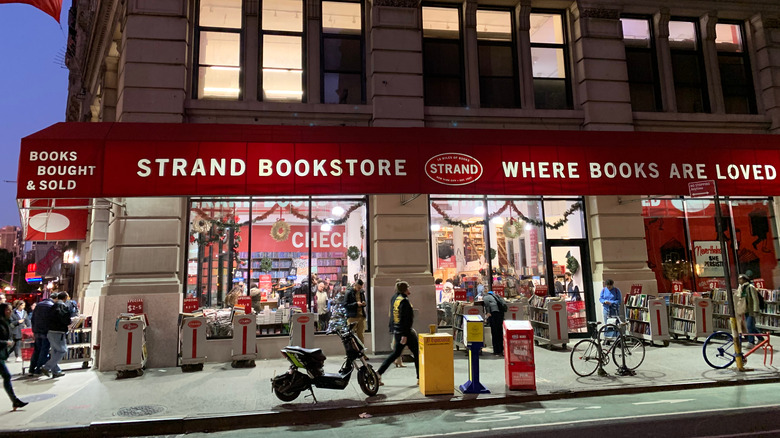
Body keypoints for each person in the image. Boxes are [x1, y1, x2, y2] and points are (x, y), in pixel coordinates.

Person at [377, 280, 419, 385]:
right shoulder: (404, 301)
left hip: (397, 330)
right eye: (408, 288)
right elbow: (407, 319)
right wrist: (405, 335)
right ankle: (420, 378)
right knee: (417, 353)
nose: (409, 289)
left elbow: (392, 314)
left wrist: (394, 329)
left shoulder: (394, 298)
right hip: (406, 332)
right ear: (405, 290)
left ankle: (378, 373)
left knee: (395, 353)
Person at [0, 303, 28, 410]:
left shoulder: (6, 322)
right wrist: (5, 343)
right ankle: (14, 400)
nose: (10, 312)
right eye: (8, 310)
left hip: (2, 354)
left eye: (10, 310)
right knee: (7, 376)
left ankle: (14, 401)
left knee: (6, 376)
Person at [42, 292, 72, 378]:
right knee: (62, 350)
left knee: (55, 352)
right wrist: (69, 322)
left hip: (50, 331)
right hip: (58, 331)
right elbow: (65, 319)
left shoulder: (52, 306)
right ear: (65, 297)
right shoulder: (62, 306)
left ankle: (56, 371)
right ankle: (47, 367)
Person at [29, 295, 55, 376]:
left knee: (37, 350)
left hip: (37, 331)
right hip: (45, 331)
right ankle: (39, 369)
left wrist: (33, 330)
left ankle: (31, 369)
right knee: (44, 350)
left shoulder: (38, 305)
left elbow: (33, 319)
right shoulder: (51, 306)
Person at [736, 274, 761, 347]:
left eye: (740, 279)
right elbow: (739, 296)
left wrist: (755, 310)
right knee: (751, 326)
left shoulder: (750, 287)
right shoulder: (742, 287)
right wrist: (740, 288)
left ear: (745, 279)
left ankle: (751, 342)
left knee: (749, 326)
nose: (739, 281)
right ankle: (761, 338)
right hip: (745, 309)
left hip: (751, 310)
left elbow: (755, 299)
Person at [482, 290, 506, 356]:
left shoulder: (486, 297)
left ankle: (496, 351)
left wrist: (488, 313)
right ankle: (501, 349)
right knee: (500, 332)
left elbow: (487, 305)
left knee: (494, 332)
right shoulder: (497, 296)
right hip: (500, 315)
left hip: (493, 315)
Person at [344, 279, 367, 344]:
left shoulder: (362, 292)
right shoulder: (349, 292)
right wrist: (356, 304)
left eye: (361, 288)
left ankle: (361, 351)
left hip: (361, 316)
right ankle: (353, 351)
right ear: (355, 285)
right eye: (358, 287)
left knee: (361, 335)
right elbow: (345, 304)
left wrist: (363, 304)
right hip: (352, 317)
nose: (359, 289)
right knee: (351, 336)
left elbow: (364, 301)